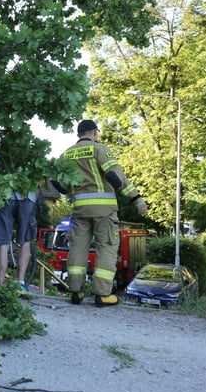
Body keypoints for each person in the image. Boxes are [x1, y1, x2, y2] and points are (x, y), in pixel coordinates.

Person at [60, 120, 148, 307]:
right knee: (106, 247)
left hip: (79, 210)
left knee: (77, 248)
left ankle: (76, 291)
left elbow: (59, 184)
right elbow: (117, 177)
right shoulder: (100, 150)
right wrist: (136, 199)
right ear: (94, 133)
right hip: (104, 210)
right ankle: (102, 294)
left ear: (78, 134)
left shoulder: (66, 154)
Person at [0, 150, 38, 293]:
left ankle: (1, 284)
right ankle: (21, 284)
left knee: (3, 242)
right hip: (27, 198)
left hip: (4, 197)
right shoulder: (30, 150)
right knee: (25, 241)